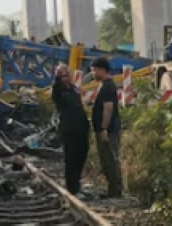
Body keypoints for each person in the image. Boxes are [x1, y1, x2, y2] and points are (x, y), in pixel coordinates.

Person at [51, 64, 89, 195]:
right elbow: (56, 93)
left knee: (81, 156)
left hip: (81, 128)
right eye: (63, 76)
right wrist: (58, 77)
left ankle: (77, 184)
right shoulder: (59, 91)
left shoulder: (73, 89)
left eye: (68, 75)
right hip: (69, 129)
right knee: (71, 159)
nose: (66, 78)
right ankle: (72, 188)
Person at [89, 57, 123, 198]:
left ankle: (115, 190)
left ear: (102, 70)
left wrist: (103, 128)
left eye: (94, 70)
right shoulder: (105, 85)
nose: (92, 73)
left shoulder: (107, 86)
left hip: (108, 130)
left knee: (109, 159)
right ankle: (113, 189)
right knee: (108, 159)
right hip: (107, 129)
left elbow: (108, 108)